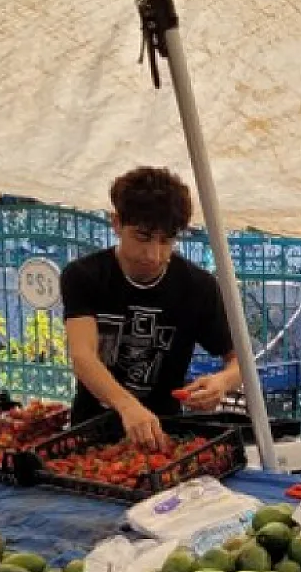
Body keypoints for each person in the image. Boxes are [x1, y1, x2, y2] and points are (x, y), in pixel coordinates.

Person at [62, 167, 240, 448]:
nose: (153, 255)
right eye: (143, 238)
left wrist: (223, 382)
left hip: (165, 437)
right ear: (117, 223)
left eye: (166, 241)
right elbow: (82, 356)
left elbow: (240, 361)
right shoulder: (84, 276)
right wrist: (127, 406)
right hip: (90, 434)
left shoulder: (198, 286)